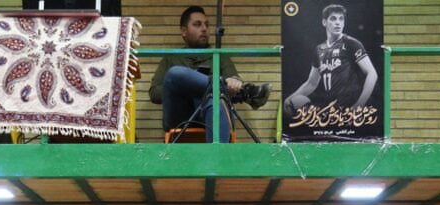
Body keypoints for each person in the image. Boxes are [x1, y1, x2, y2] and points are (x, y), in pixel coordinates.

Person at [148, 5, 271, 143]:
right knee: (175, 73)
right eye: (197, 24)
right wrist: (185, 86)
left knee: (214, 100)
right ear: (184, 31)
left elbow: (234, 79)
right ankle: (244, 93)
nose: (204, 29)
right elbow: (154, 93)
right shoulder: (172, 58)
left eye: (206, 25)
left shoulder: (219, 56)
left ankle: (217, 157)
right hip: (181, 117)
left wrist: (234, 82)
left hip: (211, 112)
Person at [283, 3, 378, 116]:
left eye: (341, 19)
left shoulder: (351, 43)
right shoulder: (319, 49)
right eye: (333, 19)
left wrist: (360, 104)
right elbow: (312, 83)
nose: (338, 22)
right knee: (299, 104)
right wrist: (290, 98)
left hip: (352, 107)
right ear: (324, 22)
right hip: (332, 109)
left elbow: (372, 73)